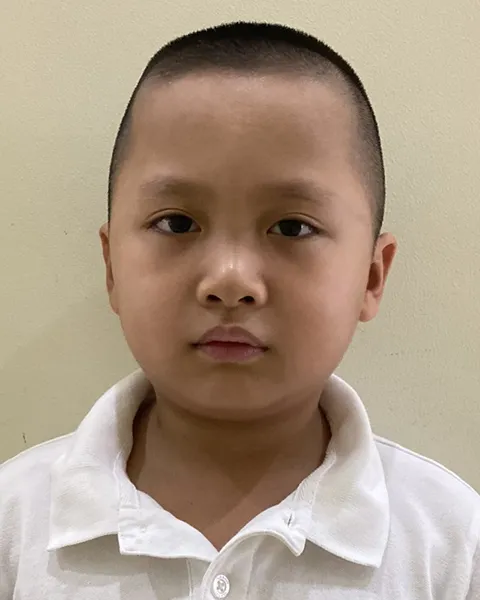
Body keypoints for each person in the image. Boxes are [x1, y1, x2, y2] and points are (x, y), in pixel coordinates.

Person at [0, 20, 478, 599]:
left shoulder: (451, 545)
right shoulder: (15, 525)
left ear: (372, 276)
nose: (230, 280)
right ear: (111, 268)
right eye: (177, 223)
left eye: (292, 227)